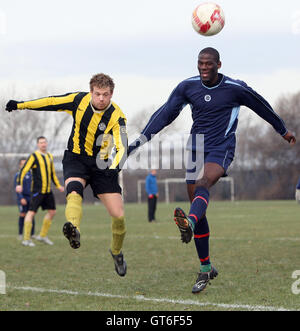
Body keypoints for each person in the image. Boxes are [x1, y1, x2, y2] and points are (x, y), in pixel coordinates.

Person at [128, 47, 296, 293]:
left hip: (222, 147)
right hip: (196, 147)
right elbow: (165, 114)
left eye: (208, 64)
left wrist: (282, 130)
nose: (204, 68)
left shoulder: (235, 88)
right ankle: (205, 268)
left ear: (219, 64)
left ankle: (190, 223)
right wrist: (139, 142)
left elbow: (261, 106)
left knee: (203, 184)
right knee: (198, 201)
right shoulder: (187, 87)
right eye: (200, 63)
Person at [6, 73, 128, 277]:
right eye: (97, 94)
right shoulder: (78, 100)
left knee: (119, 216)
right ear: (91, 92)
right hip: (76, 159)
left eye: (105, 95)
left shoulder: (117, 116)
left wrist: (116, 166)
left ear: (111, 94)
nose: (100, 99)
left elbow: (122, 144)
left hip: (102, 165)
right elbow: (51, 101)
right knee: (74, 191)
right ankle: (74, 229)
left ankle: (116, 252)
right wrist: (21, 105)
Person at [15, 137, 64, 247]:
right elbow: (24, 170)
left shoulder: (49, 156)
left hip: (47, 191)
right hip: (37, 190)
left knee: (52, 211)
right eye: (41, 142)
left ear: (47, 143)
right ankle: (26, 239)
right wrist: (19, 184)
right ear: (37, 144)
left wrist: (58, 185)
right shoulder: (34, 156)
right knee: (31, 213)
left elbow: (52, 174)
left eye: (45, 142)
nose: (43, 144)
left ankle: (42, 235)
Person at [14, 158, 35, 240]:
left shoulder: (31, 174)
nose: (24, 165)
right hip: (23, 197)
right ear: (20, 165)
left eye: (25, 164)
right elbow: (16, 188)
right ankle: (20, 233)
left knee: (31, 215)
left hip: (31, 198)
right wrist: (21, 198)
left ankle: (32, 234)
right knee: (23, 214)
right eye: (22, 164)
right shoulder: (18, 175)